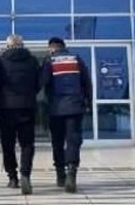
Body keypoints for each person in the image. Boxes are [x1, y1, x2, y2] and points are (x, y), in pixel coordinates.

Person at [41, 37, 92, 193]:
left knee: (57, 142)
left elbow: (43, 81)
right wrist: (88, 102)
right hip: (75, 107)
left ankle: (60, 175)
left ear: (51, 47)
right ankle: (72, 172)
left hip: (56, 108)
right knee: (73, 140)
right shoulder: (76, 59)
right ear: (63, 46)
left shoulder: (49, 61)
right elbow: (87, 82)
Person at [0, 34, 41, 195]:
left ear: (8, 46)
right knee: (27, 144)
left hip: (6, 107)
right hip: (27, 106)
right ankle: (25, 174)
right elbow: (39, 81)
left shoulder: (0, 61)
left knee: (8, 144)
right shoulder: (32, 60)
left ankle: (12, 177)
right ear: (22, 45)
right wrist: (31, 94)